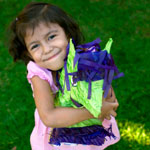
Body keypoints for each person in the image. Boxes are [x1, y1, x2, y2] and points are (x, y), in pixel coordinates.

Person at [9, 2, 120, 150]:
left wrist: (107, 100)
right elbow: (49, 116)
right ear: (28, 53)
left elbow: (106, 93)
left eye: (51, 37)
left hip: (87, 130)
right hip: (59, 138)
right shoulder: (40, 74)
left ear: (67, 33)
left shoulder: (83, 57)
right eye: (35, 46)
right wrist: (93, 110)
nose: (47, 49)